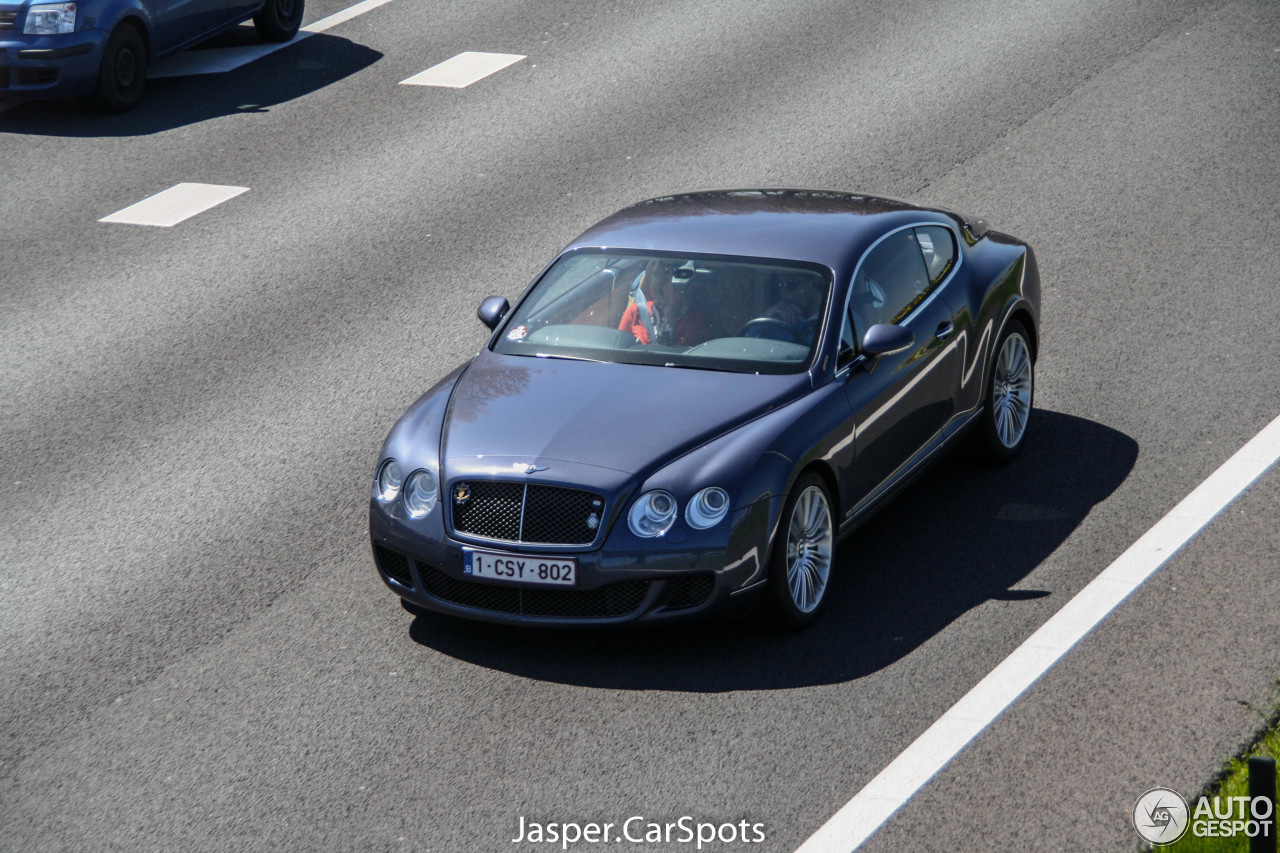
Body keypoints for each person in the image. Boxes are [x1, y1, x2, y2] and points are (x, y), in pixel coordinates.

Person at [619, 261, 714, 346]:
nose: (658, 286)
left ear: (682, 287)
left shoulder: (697, 321)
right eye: (656, 277)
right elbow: (619, 348)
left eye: (665, 281)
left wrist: (670, 324)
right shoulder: (636, 311)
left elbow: (673, 358)